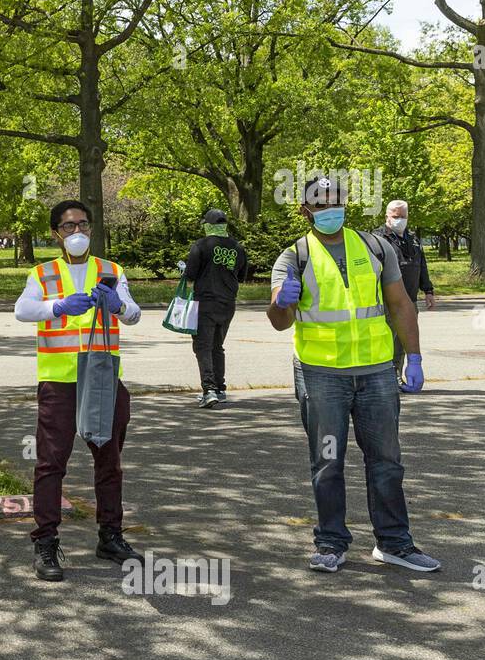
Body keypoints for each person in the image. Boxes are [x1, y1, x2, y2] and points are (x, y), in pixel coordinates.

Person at [268, 175, 440, 574]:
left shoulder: (376, 247)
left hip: (377, 372)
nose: (331, 208)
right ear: (305, 210)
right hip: (321, 374)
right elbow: (279, 321)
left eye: (337, 200)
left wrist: (413, 357)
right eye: (321, 202)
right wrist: (281, 302)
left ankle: (395, 543)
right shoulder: (293, 257)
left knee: (387, 460)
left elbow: (399, 304)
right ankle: (331, 543)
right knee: (328, 461)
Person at [15, 200, 144, 582]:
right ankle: (46, 542)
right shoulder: (42, 274)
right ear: (55, 233)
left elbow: (134, 314)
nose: (77, 233)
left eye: (84, 225)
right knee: (51, 464)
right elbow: (22, 310)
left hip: (103, 380)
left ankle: (110, 535)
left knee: (109, 461)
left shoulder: (111, 270)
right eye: (69, 227)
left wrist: (118, 305)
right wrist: (58, 307)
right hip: (59, 381)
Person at [184, 208, 249, 408]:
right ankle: (220, 389)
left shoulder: (202, 245)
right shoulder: (237, 247)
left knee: (202, 346)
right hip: (228, 303)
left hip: (205, 302)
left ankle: (209, 390)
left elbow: (191, 274)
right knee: (217, 346)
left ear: (208, 225)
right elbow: (241, 276)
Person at [377, 199, 436, 388]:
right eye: (395, 216)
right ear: (387, 216)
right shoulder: (378, 239)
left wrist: (428, 290)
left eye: (403, 217)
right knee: (388, 341)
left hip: (409, 300)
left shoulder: (413, 239)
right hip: (387, 301)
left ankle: (398, 374)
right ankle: (386, 377)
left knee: (404, 341)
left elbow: (421, 266)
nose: (399, 220)